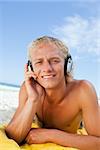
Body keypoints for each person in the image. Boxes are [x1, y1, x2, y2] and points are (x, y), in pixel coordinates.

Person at [5, 36, 100, 149]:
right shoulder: (29, 88)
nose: (47, 68)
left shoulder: (83, 90)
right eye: (39, 62)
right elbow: (13, 138)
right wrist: (33, 100)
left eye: (55, 61)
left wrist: (50, 135)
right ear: (31, 68)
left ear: (67, 65)